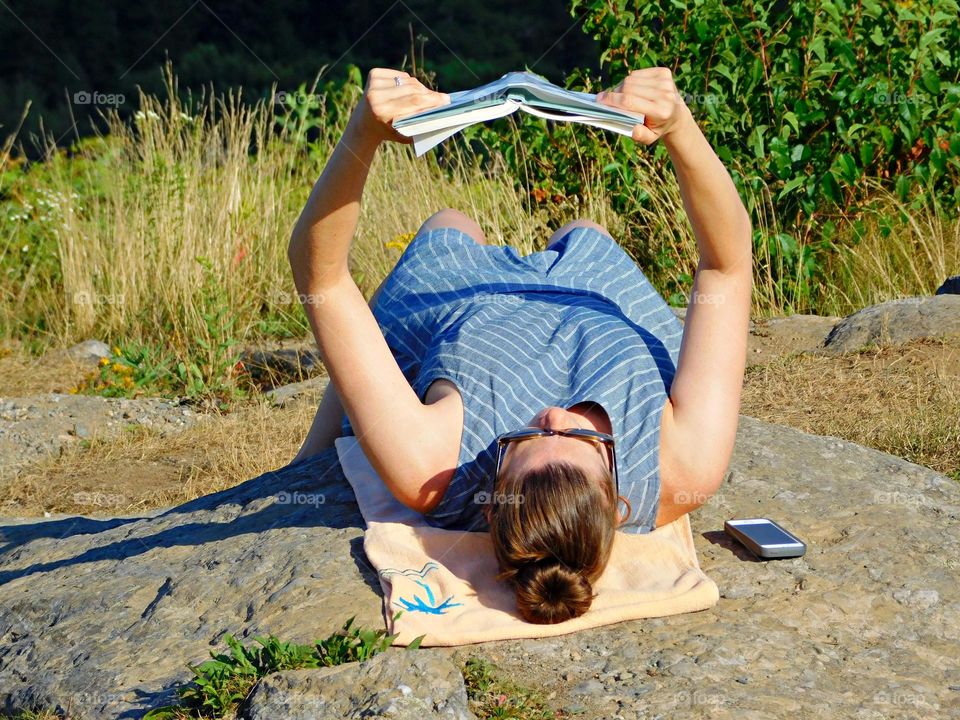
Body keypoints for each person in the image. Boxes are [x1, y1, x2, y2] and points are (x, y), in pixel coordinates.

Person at [287, 67, 752, 625]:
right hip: (595, 297)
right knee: (586, 230)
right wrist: (680, 128)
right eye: (580, 437)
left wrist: (362, 134)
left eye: (529, 436)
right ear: (616, 497)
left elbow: (324, 281)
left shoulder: (431, 465)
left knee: (447, 221)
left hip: (455, 306)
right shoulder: (680, 467)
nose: (553, 414)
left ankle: (311, 455)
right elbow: (726, 269)